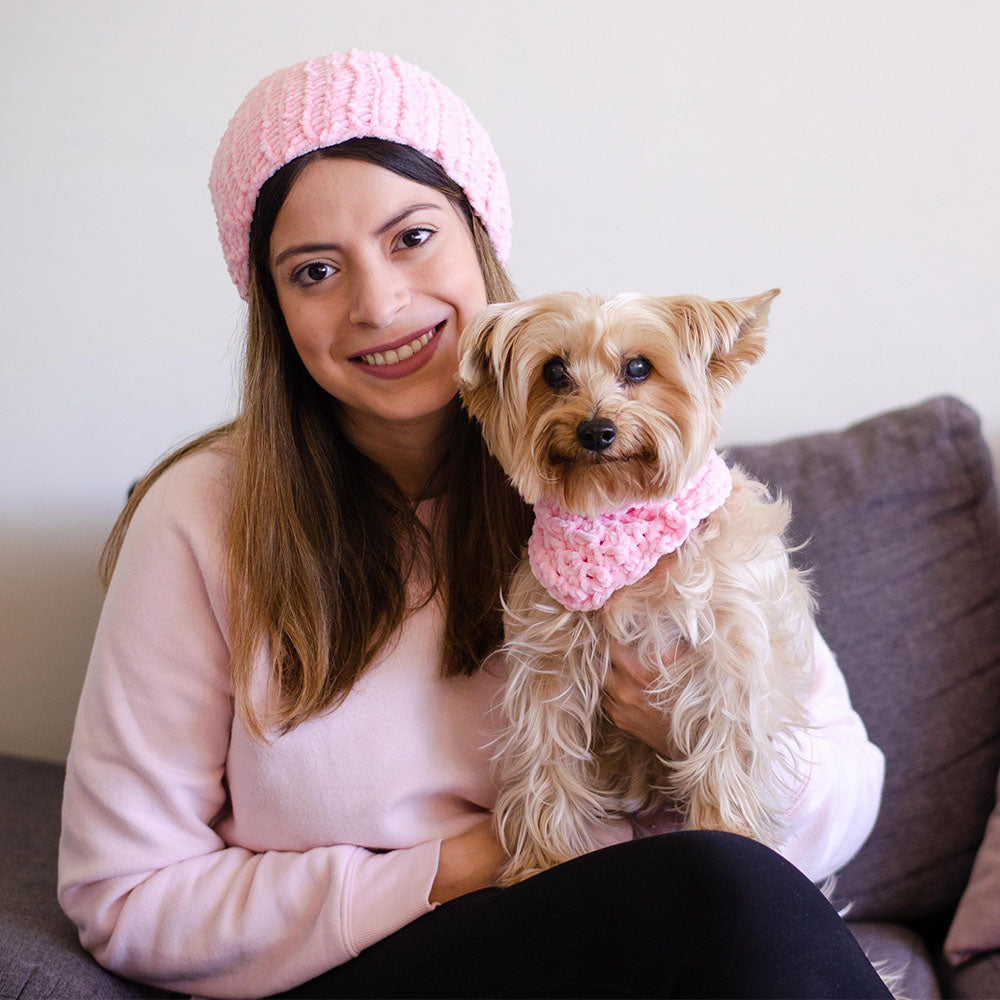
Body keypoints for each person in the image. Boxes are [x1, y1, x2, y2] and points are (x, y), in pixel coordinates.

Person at [58, 49, 889, 999]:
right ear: (273, 311)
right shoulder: (201, 520)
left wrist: (672, 730)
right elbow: (121, 895)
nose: (380, 304)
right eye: (316, 270)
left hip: (655, 932)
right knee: (725, 898)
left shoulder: (646, 504)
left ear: (481, 240)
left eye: (412, 237)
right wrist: (473, 859)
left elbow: (848, 789)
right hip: (377, 966)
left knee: (736, 896)